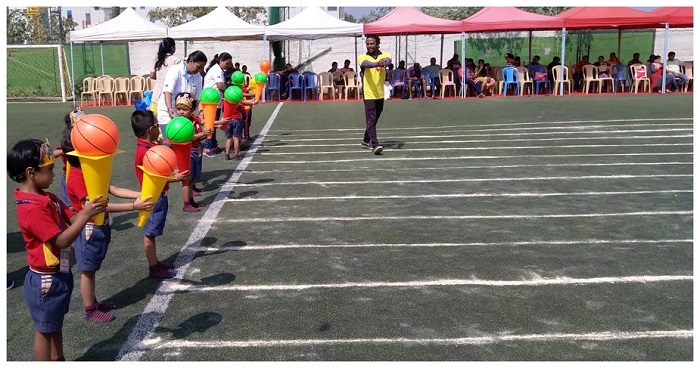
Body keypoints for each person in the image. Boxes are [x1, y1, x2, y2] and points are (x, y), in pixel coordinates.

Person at [8, 138, 107, 360]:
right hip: (46, 281)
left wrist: (87, 211)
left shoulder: (46, 197)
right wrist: (87, 214)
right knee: (45, 331)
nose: (54, 175)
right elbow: (61, 240)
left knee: (54, 325)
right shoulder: (31, 209)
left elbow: (72, 216)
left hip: (57, 276)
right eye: (49, 169)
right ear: (31, 172)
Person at [62, 129, 153, 322]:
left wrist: (141, 194)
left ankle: (93, 302)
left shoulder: (89, 171)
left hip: (99, 227)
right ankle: (89, 309)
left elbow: (113, 189)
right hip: (88, 229)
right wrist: (134, 206)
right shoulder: (78, 178)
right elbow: (96, 207)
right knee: (87, 270)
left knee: (92, 268)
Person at [131, 110, 189, 279]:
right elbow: (155, 177)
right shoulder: (147, 152)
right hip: (152, 198)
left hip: (158, 196)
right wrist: (175, 177)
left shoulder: (148, 147)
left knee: (153, 233)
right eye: (157, 125)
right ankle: (153, 267)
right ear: (150, 129)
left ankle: (155, 262)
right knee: (150, 234)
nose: (159, 128)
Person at [156, 50, 207, 143]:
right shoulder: (175, 70)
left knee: (184, 142)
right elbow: (167, 91)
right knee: (170, 143)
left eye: (202, 68)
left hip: (184, 115)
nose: (200, 70)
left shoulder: (198, 77)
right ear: (191, 61)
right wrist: (169, 107)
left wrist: (201, 112)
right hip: (168, 113)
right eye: (198, 67)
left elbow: (198, 99)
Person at [174, 93, 209, 212]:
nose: (181, 112)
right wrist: (202, 134)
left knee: (192, 179)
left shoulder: (194, 119)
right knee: (186, 180)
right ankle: (186, 203)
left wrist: (210, 127)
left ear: (192, 110)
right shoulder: (177, 123)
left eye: (184, 109)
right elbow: (188, 137)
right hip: (185, 154)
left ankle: (192, 201)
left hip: (195, 151)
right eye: (178, 109)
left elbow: (202, 131)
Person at [358, 34, 391, 155]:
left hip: (380, 93)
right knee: (371, 118)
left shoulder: (384, 55)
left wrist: (384, 63)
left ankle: (366, 140)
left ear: (377, 44)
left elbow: (388, 61)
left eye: (372, 43)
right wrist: (377, 64)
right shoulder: (362, 57)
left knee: (375, 118)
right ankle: (375, 144)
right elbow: (365, 64)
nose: (369, 46)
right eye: (367, 44)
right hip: (368, 93)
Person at [202, 52, 233, 158]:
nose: (228, 65)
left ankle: (213, 145)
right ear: (221, 61)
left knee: (213, 125)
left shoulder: (219, 70)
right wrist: (230, 92)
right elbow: (220, 86)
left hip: (215, 102)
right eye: (227, 63)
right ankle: (207, 147)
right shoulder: (217, 70)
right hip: (210, 102)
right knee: (210, 124)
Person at [221, 92, 258, 160]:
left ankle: (227, 154)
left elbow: (223, 109)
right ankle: (236, 155)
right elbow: (242, 110)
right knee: (236, 139)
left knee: (229, 139)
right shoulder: (238, 101)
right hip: (237, 120)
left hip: (228, 120)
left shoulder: (225, 101)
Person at [150, 37, 181, 116]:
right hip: (170, 98)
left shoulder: (157, 60)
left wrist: (160, 76)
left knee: (155, 123)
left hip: (156, 96)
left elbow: (152, 75)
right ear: (172, 48)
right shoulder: (175, 60)